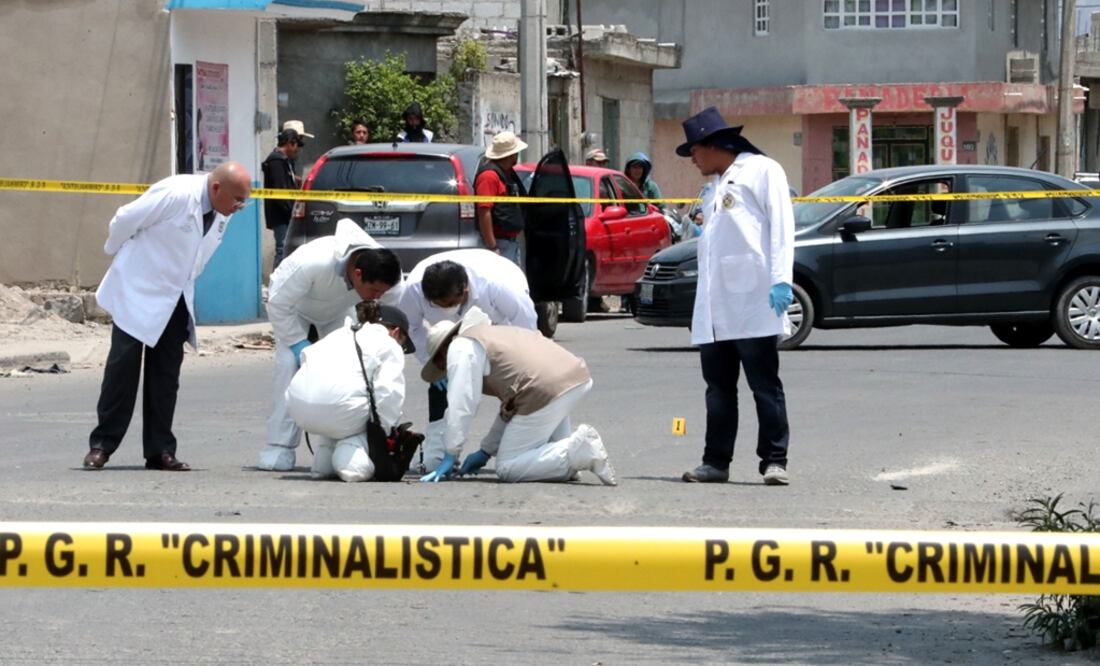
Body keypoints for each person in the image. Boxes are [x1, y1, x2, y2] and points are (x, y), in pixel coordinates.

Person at [83, 162, 252, 471]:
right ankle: (102, 445)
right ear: (216, 188)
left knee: (166, 375)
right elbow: (125, 219)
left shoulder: (221, 212)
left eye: (245, 200)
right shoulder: (175, 193)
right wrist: (119, 252)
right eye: (238, 199)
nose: (241, 206)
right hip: (137, 289)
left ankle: (160, 450)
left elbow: (199, 253)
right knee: (123, 369)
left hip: (175, 295)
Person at [675, 106, 795, 486]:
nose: (693, 159)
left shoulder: (763, 170)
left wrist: (781, 280)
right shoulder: (715, 188)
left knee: (764, 385)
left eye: (694, 151)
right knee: (719, 390)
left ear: (713, 145)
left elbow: (782, 227)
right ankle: (716, 462)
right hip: (716, 308)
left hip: (753, 300)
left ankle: (774, 460)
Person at [257, 218, 403, 472]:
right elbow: (278, 303)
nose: (375, 297)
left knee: (347, 373)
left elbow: (390, 309)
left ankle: (337, 445)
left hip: (338, 313)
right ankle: (278, 447)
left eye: (381, 293)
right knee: (288, 366)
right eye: (372, 290)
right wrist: (298, 344)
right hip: (296, 311)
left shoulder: (387, 276)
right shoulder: (312, 261)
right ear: (357, 273)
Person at [418, 308, 616, 485]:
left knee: (508, 467)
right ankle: (568, 459)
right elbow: (511, 407)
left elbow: (462, 404)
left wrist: (451, 453)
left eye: (441, 365)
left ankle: (580, 450)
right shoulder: (492, 336)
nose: (444, 371)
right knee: (550, 450)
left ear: (443, 352)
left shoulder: (461, 348)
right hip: (571, 379)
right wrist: (486, 451)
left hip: (543, 389)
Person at [397, 250, 538, 470]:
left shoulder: (499, 284)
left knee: (516, 387)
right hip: (446, 333)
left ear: (465, 289)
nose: (446, 309)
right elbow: (412, 328)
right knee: (440, 381)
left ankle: (525, 444)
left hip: (499, 323)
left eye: (451, 304)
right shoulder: (414, 289)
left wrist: (524, 364)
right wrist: (433, 363)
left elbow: (526, 323)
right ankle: (436, 452)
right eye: (438, 305)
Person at [285, 305, 414, 482]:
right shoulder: (389, 344)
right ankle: (350, 454)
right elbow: (389, 393)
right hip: (338, 411)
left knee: (341, 403)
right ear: (396, 332)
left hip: (297, 407)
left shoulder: (339, 334)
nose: (401, 346)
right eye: (403, 342)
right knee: (359, 416)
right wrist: (381, 433)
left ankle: (324, 459)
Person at [474, 131, 528, 267]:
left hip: (511, 243)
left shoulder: (507, 173)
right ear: (510, 155)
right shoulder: (489, 176)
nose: (517, 156)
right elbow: (484, 212)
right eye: (516, 153)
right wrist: (492, 246)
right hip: (499, 244)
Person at [262, 122, 310, 268]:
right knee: (282, 249)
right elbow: (280, 191)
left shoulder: (284, 161)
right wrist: (291, 212)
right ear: (290, 143)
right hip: (281, 216)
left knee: (287, 249)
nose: (297, 151)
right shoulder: (277, 161)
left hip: (284, 214)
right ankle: (277, 285)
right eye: (296, 146)